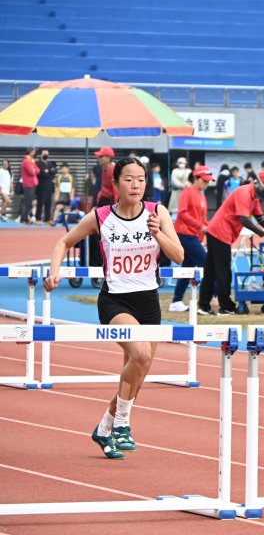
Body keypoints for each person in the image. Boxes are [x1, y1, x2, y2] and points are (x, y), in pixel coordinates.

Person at [43, 157, 184, 459]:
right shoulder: (101, 216)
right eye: (129, 179)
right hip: (115, 301)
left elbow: (179, 255)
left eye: (141, 179)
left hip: (148, 302)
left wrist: (158, 233)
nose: (135, 185)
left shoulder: (157, 212)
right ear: (116, 184)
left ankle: (105, 428)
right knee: (141, 355)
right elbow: (63, 242)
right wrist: (54, 272)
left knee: (136, 376)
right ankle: (122, 423)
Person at [197, 170, 264, 315]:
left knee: (211, 271)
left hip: (217, 232)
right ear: (261, 183)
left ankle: (203, 306)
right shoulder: (244, 194)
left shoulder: (253, 197)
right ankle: (226, 307)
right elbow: (244, 219)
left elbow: (261, 219)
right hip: (220, 233)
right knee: (224, 272)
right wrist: (263, 233)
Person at [168, 165, 213, 312]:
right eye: (204, 180)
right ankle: (211, 298)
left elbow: (202, 218)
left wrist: (210, 227)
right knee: (206, 265)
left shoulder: (202, 196)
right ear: (196, 178)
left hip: (194, 235)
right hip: (184, 233)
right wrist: (201, 226)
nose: (206, 183)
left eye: (208, 181)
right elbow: (183, 213)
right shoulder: (188, 192)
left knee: (188, 267)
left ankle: (176, 301)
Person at [19, 146, 39, 224]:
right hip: (28, 184)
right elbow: (32, 172)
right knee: (26, 202)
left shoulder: (32, 160)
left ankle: (27, 218)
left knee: (29, 203)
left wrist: (34, 168)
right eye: (34, 151)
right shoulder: (26, 161)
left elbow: (38, 170)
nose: (35, 152)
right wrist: (34, 169)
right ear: (30, 152)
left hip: (32, 184)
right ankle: (23, 219)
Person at [35, 148, 55, 225]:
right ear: (41, 155)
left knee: (48, 204)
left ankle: (47, 219)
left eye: (47, 153)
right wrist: (48, 172)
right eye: (44, 153)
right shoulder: (37, 164)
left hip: (49, 187)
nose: (46, 155)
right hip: (41, 187)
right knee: (40, 204)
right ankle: (38, 219)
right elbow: (41, 174)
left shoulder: (50, 164)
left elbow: (54, 172)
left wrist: (48, 171)